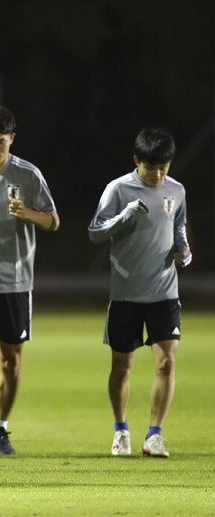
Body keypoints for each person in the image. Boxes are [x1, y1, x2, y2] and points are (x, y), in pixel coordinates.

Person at [0, 104, 60, 457]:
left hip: (17, 283)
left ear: (11, 139)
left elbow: (53, 221)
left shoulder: (28, 175)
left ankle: (1, 428)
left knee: (11, 361)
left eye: (1, 141)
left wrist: (27, 213)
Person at [88, 127, 191, 458]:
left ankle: (155, 435)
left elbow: (178, 228)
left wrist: (184, 250)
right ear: (137, 161)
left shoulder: (176, 190)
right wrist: (125, 215)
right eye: (152, 167)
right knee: (122, 367)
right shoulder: (118, 189)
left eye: (164, 167)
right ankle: (121, 432)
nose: (159, 174)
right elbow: (95, 232)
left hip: (164, 292)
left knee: (167, 363)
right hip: (126, 294)